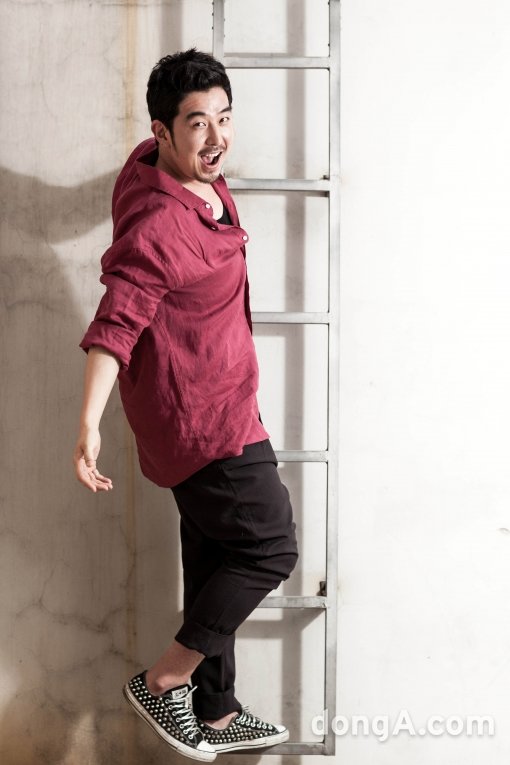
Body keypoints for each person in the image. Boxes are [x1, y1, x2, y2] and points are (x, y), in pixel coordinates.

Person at [73, 49, 298, 761]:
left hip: (222, 397)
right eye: (197, 123)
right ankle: (163, 680)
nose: (216, 138)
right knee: (269, 546)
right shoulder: (158, 225)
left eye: (224, 118)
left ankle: (216, 708)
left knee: (216, 554)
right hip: (203, 420)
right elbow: (116, 323)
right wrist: (87, 423)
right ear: (162, 132)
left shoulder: (164, 166)